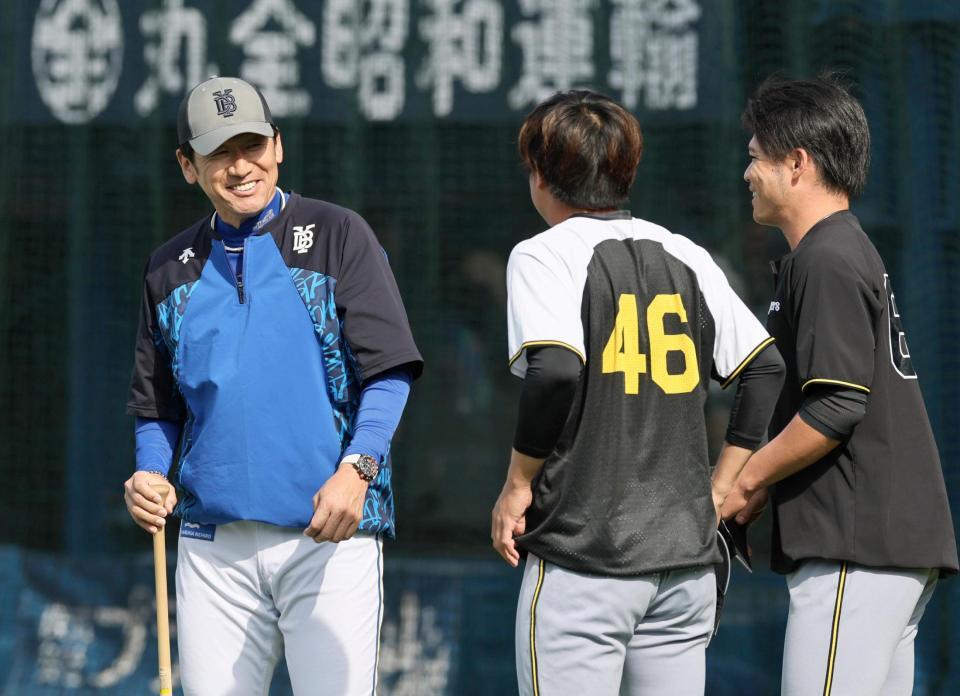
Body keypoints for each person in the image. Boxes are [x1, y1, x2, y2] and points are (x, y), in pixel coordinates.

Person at [122, 76, 422, 696]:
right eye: (217, 152)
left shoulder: (339, 234)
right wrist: (150, 473)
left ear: (278, 146)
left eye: (253, 144)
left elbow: (388, 371)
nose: (240, 166)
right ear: (187, 165)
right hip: (212, 547)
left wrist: (358, 469)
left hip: (330, 533)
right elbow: (157, 405)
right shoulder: (166, 266)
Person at [490, 90, 786, 696]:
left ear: (542, 174)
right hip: (685, 563)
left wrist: (518, 485)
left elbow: (555, 372)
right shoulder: (686, 253)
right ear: (624, 172)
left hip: (585, 552)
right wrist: (721, 486)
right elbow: (766, 368)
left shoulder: (542, 254)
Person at [721, 75, 958, 696]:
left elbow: (838, 404)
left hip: (856, 548)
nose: (747, 174)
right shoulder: (843, 250)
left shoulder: (825, 257)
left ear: (796, 164)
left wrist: (749, 477)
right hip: (887, 547)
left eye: (755, 158)